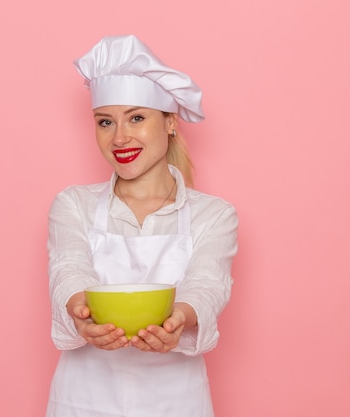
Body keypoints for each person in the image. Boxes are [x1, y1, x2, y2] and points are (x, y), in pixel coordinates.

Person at [45, 34, 238, 417]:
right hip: (84, 399)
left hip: (175, 400)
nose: (120, 137)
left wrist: (180, 318)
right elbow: (68, 269)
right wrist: (80, 312)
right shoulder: (73, 204)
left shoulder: (214, 215)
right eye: (105, 122)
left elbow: (207, 284)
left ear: (169, 122)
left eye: (136, 117)